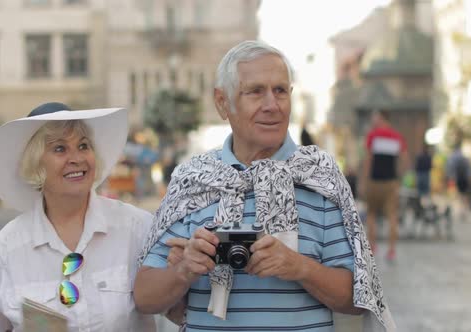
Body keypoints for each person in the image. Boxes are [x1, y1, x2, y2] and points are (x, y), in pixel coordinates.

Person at [134, 40, 395, 331]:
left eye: (280, 91)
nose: (272, 105)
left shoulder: (320, 177)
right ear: (223, 102)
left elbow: (359, 298)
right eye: (256, 92)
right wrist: (184, 270)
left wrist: (298, 267)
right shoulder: (193, 181)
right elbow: (144, 298)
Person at [0, 102, 156, 331]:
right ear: (35, 164)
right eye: (60, 149)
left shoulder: (136, 228)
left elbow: (176, 309)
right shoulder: (6, 249)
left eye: (83, 146)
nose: (76, 158)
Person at [363, 109, 408, 261]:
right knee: (392, 216)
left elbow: (368, 159)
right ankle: (391, 250)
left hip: (375, 180)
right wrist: (399, 177)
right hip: (391, 182)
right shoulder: (397, 137)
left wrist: (365, 180)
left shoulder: (372, 135)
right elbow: (404, 159)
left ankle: (372, 246)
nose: (374, 121)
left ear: (382, 118)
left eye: (376, 118)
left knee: (371, 214)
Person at [445, 142, 471, 222]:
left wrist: (449, 177)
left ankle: (459, 210)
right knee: (464, 195)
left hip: (456, 179)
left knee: (457, 195)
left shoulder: (452, 157)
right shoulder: (464, 157)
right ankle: (463, 210)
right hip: (464, 179)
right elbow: (469, 170)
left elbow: (449, 168)